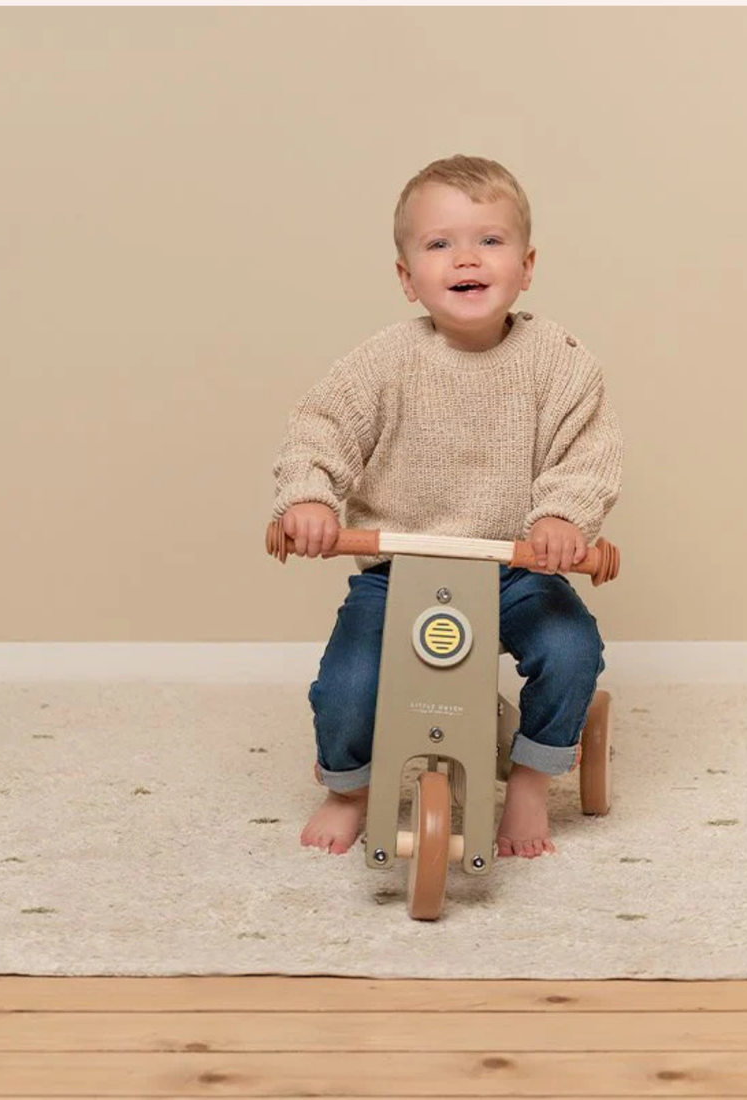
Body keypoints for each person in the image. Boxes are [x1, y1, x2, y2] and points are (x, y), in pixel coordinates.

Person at [271, 154, 623, 859]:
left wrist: (561, 519)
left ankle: (528, 778)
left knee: (571, 646)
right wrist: (309, 499)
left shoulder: (559, 361)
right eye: (440, 244)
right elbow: (321, 430)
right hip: (399, 569)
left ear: (526, 266)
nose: (466, 257)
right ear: (407, 277)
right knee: (349, 680)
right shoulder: (383, 362)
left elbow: (586, 453)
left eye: (489, 241)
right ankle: (347, 787)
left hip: (515, 568)